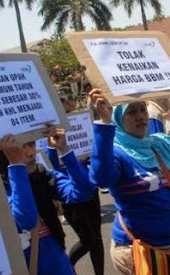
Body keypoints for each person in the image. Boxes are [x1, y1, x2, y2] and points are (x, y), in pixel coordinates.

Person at [89, 88, 170, 275]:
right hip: (139, 250)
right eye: (132, 112)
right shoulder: (116, 153)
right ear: (118, 119)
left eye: (142, 109)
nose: (140, 117)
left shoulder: (159, 143)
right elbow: (102, 178)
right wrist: (104, 124)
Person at [0, 125, 93, 275]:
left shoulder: (43, 175)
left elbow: (84, 192)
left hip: (61, 266)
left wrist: (64, 150)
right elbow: (26, 220)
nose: (31, 153)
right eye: (20, 147)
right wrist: (16, 166)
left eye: (31, 144)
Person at [53, 94, 105, 275]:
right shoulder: (47, 138)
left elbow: (89, 153)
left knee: (97, 239)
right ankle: (69, 265)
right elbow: (50, 165)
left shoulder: (78, 122)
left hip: (88, 187)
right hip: (70, 194)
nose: (65, 107)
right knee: (88, 240)